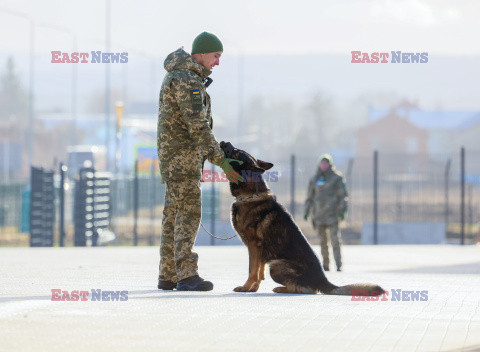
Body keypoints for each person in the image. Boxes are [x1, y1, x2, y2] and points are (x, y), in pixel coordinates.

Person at [157, 32, 242, 291]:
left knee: (173, 215)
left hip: (176, 159)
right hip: (182, 160)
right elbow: (198, 127)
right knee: (188, 215)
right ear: (202, 54)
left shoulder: (181, 76)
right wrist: (224, 163)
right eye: (216, 56)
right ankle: (186, 274)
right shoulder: (187, 80)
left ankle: (168, 274)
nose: (217, 62)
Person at [304, 154, 348, 272]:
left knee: (335, 240)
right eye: (322, 163)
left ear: (330, 164)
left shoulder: (336, 178)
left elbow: (343, 195)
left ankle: (338, 264)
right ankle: (325, 265)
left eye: (326, 163)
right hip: (319, 215)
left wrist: (343, 209)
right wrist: (307, 211)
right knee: (323, 241)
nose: (323, 165)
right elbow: (310, 196)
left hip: (332, 214)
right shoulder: (315, 179)